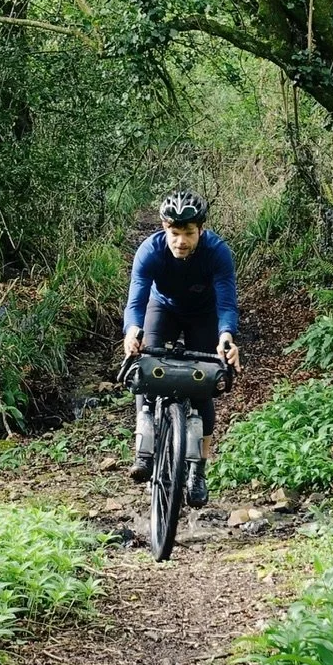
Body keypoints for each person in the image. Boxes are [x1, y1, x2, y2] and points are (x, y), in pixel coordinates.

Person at [124, 190, 240, 506]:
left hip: (204, 314)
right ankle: (144, 448)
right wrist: (133, 331)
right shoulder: (150, 251)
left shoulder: (217, 252)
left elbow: (228, 303)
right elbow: (136, 301)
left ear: (201, 229)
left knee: (202, 387)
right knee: (143, 372)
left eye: (188, 233)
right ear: (165, 229)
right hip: (162, 308)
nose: (181, 241)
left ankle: (197, 470)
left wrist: (226, 336)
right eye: (175, 233)